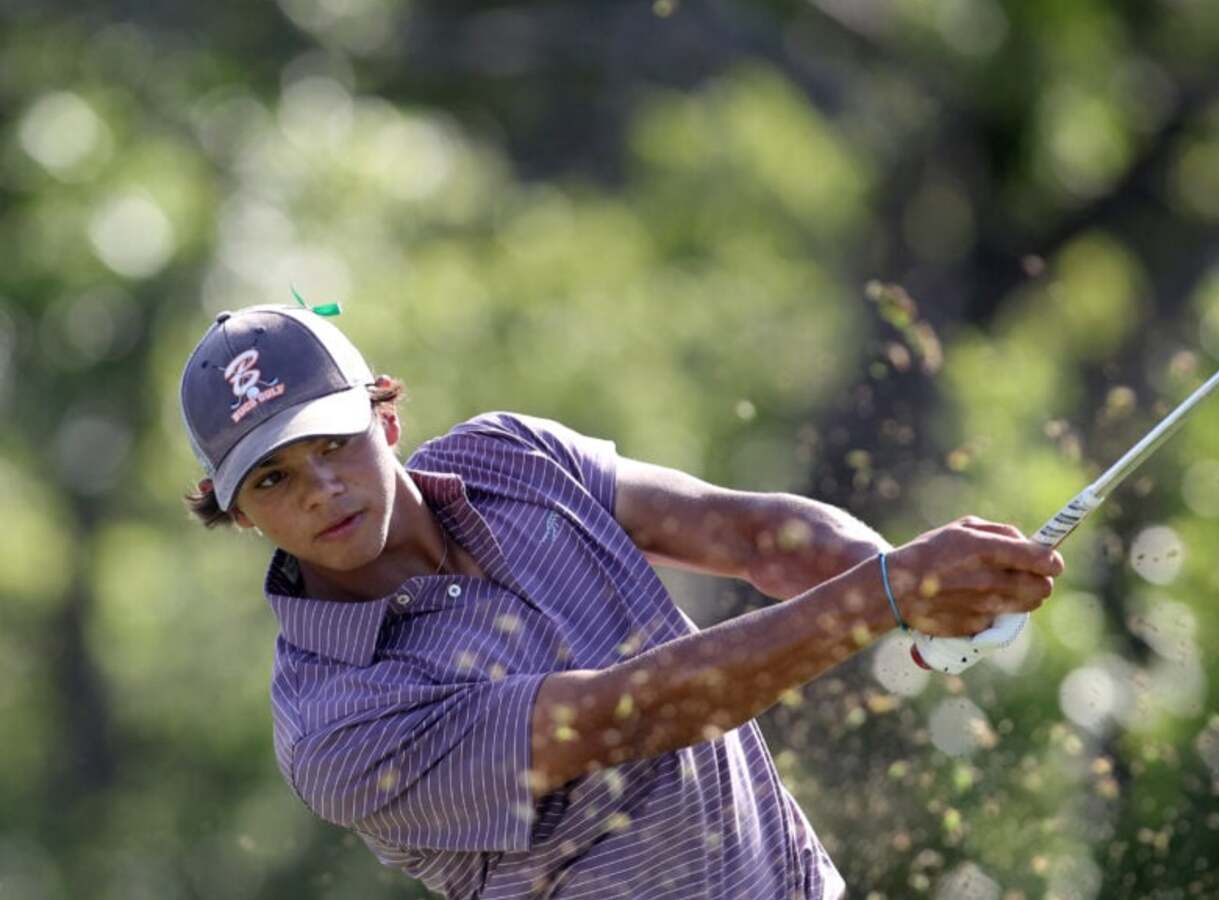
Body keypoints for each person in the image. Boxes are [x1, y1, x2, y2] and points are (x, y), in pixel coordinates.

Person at [177, 303, 1063, 899]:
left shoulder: (509, 458)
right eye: (274, 477)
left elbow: (750, 535)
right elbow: (641, 715)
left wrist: (908, 591)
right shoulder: (336, 722)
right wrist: (886, 595)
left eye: (334, 441)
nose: (320, 488)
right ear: (241, 515)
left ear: (387, 418)